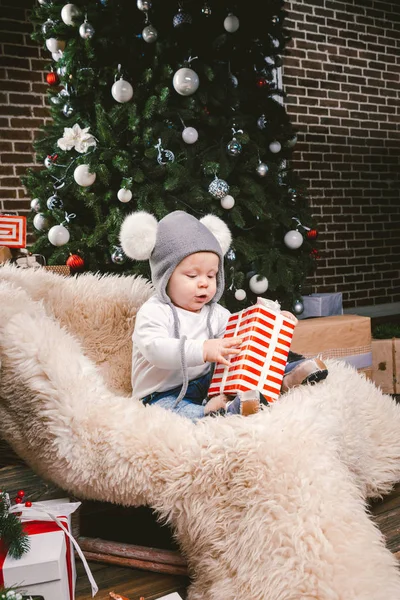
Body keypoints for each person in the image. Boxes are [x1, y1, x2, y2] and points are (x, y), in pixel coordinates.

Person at [119, 210, 328, 422]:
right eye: (192, 275)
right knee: (170, 415)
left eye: (211, 275)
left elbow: (240, 332)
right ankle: (217, 412)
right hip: (162, 393)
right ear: (165, 276)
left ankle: (284, 376)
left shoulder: (214, 312)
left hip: (206, 382)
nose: (204, 282)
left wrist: (272, 319)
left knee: (242, 360)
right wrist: (202, 350)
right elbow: (155, 349)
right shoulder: (154, 311)